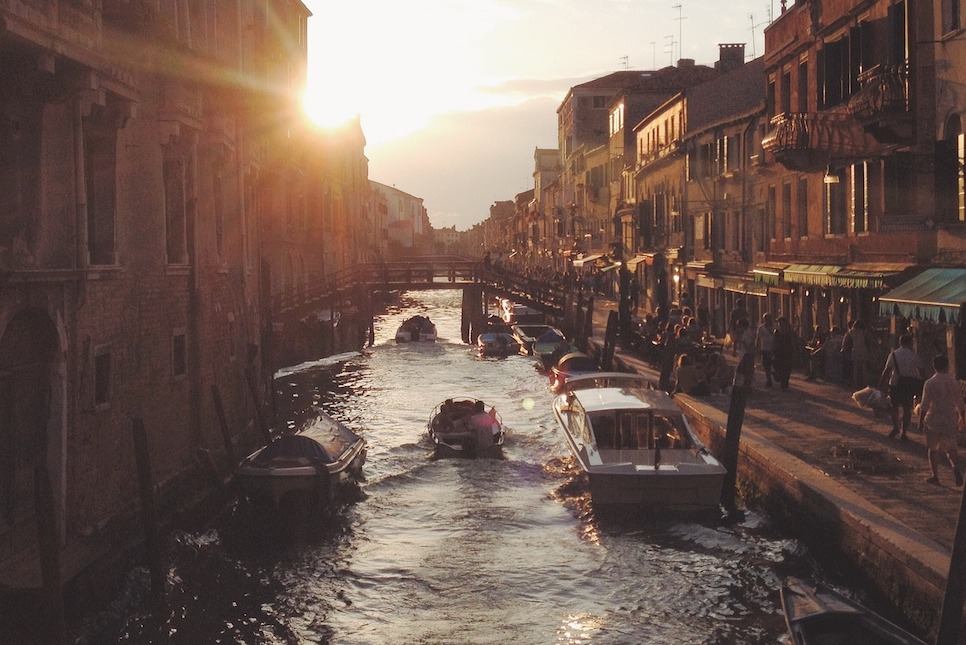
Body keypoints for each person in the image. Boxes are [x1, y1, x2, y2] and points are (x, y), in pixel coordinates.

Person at [918, 355, 965, 486]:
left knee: (932, 449)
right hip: (950, 418)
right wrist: (962, 418)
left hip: (933, 419)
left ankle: (935, 475)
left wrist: (920, 421)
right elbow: (960, 404)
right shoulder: (954, 382)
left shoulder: (929, 383)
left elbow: (924, 404)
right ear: (947, 366)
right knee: (951, 448)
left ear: (934, 366)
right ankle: (955, 468)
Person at [879, 333, 924, 440]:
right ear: (910, 343)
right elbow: (921, 371)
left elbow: (887, 370)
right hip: (909, 384)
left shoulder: (893, 355)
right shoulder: (914, 355)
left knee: (894, 407)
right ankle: (904, 432)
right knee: (907, 408)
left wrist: (881, 383)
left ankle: (895, 427)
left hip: (895, 384)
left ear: (900, 342)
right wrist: (923, 384)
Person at [772, 316, 796, 391]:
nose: (780, 325)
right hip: (779, 353)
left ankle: (785, 384)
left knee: (787, 369)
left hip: (788, 352)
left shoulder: (789, 332)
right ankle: (780, 379)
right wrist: (773, 351)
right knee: (779, 368)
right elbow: (774, 342)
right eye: (779, 323)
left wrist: (794, 351)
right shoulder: (777, 332)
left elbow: (793, 342)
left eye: (781, 323)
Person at [756, 313, 775, 388]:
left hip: (774, 348)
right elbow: (758, 338)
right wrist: (757, 348)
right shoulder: (761, 327)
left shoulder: (775, 326)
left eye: (769, 318)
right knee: (766, 365)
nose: (768, 320)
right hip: (765, 348)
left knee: (774, 364)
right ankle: (769, 380)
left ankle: (774, 373)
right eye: (766, 319)